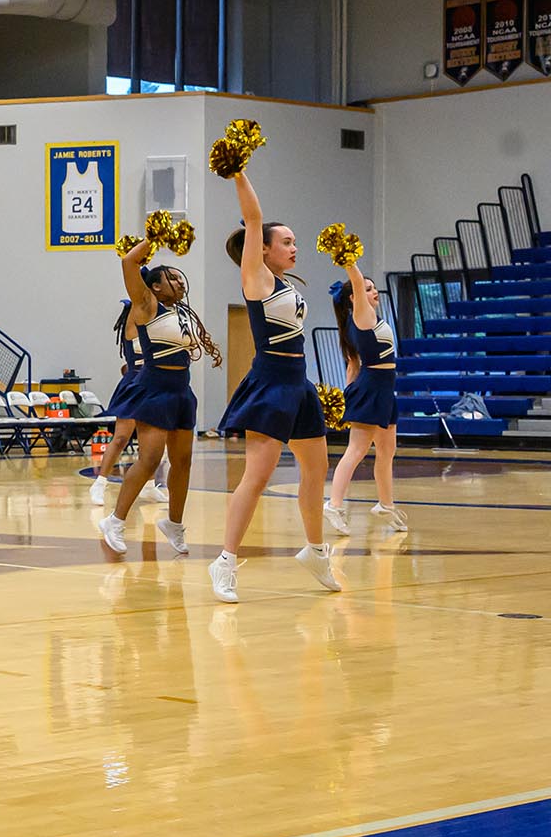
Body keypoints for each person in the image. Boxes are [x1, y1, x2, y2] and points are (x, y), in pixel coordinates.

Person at [209, 170, 341, 603]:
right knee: (257, 477)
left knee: (317, 471)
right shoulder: (258, 279)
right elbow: (253, 216)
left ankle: (315, 550)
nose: (294, 247)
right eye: (286, 241)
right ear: (262, 249)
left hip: (298, 383)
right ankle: (225, 561)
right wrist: (238, 170)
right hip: (269, 382)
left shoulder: (284, 285)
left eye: (293, 241)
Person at [98, 239, 220, 559]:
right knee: (150, 459)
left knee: (182, 462)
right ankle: (115, 520)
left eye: (181, 278)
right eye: (172, 278)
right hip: (154, 388)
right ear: (154, 286)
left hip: (182, 390)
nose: (180, 281)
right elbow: (128, 263)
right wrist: (155, 237)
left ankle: (175, 524)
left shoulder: (182, 312)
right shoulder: (146, 306)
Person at [325, 259, 406, 534]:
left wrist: (347, 394)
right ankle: (333, 505)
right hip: (373, 388)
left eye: (374, 289)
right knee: (356, 450)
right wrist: (350, 261)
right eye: (368, 289)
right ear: (354, 298)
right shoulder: (362, 315)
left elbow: (353, 364)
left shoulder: (358, 321)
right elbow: (357, 283)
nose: (374, 292)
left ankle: (385, 504)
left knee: (387, 451)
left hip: (383, 388)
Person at [89, 300, 165, 506]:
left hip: (154, 383)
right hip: (135, 383)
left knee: (148, 441)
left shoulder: (157, 323)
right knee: (121, 437)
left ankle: (149, 487)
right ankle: (99, 484)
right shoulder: (134, 320)